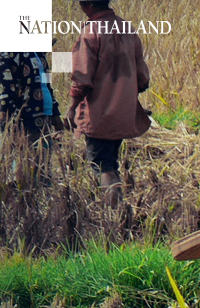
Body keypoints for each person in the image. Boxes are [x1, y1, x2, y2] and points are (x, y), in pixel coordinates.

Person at [67, 0, 150, 208]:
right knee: (111, 161)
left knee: (103, 167)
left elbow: (82, 78)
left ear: (89, 5)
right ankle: (119, 210)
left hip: (98, 116)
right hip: (123, 115)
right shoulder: (127, 28)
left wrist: (71, 108)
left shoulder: (90, 32)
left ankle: (114, 215)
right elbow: (142, 77)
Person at [0, 51, 64, 185]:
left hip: (44, 112)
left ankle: (42, 193)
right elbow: (6, 88)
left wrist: (55, 112)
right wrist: (9, 120)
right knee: (23, 168)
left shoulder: (39, 53)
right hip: (24, 116)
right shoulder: (7, 53)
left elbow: (47, 83)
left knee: (43, 166)